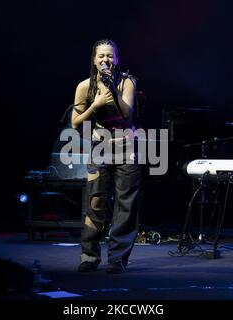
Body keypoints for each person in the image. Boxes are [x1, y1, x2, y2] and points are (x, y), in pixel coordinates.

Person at [71, 39, 141, 274]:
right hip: (99, 149)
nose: (105, 60)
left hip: (126, 149)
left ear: (117, 59)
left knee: (125, 205)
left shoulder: (126, 82)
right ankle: (89, 256)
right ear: (94, 60)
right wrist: (96, 104)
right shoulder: (84, 87)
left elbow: (126, 114)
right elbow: (75, 122)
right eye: (101, 56)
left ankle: (117, 258)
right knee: (96, 201)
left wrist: (111, 89)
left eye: (110, 56)